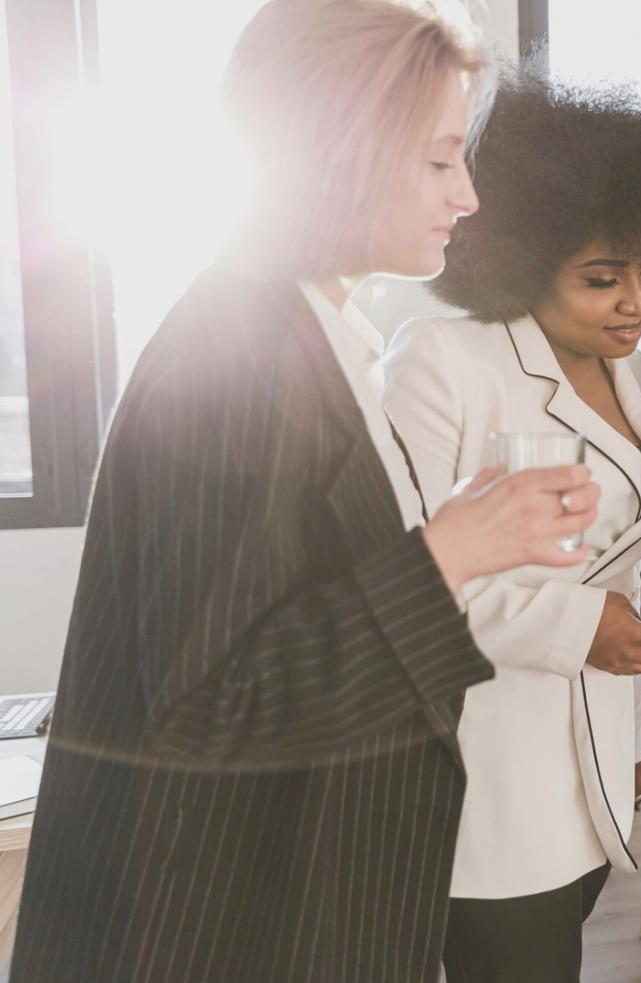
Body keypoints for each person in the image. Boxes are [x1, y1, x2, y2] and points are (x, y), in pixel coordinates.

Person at [11, 5, 600, 982]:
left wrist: (459, 535)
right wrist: (449, 553)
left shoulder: (310, 338)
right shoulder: (236, 360)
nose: (467, 196)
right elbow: (208, 707)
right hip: (216, 937)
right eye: (439, 161)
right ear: (341, 152)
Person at [382, 71, 641, 983]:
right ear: (519, 261)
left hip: (596, 763)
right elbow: (402, 583)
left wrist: (631, 710)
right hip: (486, 774)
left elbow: (613, 562)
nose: (638, 301)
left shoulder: (639, 378)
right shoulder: (444, 363)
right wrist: (584, 628)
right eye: (601, 278)